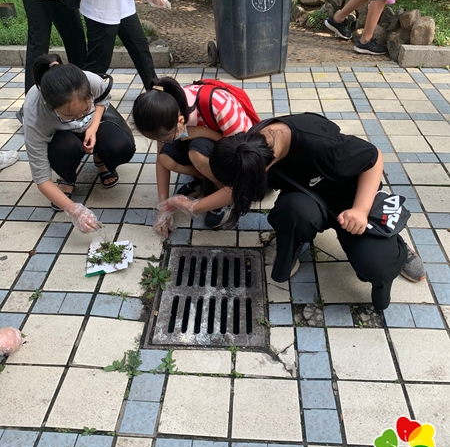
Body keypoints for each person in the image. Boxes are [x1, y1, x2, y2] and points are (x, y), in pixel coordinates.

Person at [160, 113, 426, 311]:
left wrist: (360, 209)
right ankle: (298, 239)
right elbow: (234, 189)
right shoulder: (251, 149)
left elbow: (373, 157)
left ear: (262, 170)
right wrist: (191, 206)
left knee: (376, 267)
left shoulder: (319, 143)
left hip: (353, 201)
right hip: (309, 200)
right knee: (290, 211)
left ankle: (396, 246)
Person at [132, 77, 255, 233]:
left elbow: (242, 150)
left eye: (165, 138)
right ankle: (207, 180)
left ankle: (225, 193)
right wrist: (163, 207)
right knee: (166, 158)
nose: (163, 142)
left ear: (181, 120)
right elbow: (160, 159)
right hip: (200, 140)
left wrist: (203, 132)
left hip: (233, 146)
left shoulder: (219, 105)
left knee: (196, 154)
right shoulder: (164, 114)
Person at [23, 54, 135, 220]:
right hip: (62, 138)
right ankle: (66, 177)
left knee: (121, 146)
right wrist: (74, 210)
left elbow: (103, 100)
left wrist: (93, 127)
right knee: (65, 148)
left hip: (97, 123)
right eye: (70, 115)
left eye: (85, 110)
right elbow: (41, 177)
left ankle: (100, 159)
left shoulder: (91, 80)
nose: (79, 118)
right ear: (51, 107)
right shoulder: (36, 113)